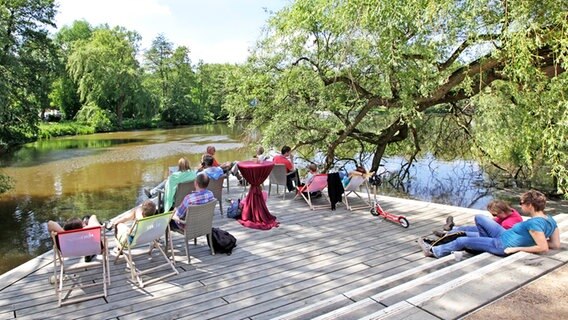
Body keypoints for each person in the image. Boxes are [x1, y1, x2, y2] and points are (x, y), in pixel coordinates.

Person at [418, 190, 561, 258]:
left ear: (529, 205)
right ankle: (479, 241)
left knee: (462, 240)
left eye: (522, 203)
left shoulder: (535, 224)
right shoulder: (551, 220)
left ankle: (433, 251)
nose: (520, 206)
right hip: (503, 235)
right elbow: (555, 245)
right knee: (480, 218)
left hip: (502, 244)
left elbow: (543, 248)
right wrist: (534, 241)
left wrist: (516, 248)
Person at [433, 200, 523, 237]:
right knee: (470, 228)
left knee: (465, 234)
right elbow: (495, 222)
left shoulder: (508, 224)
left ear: (502, 212)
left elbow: (500, 236)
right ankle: (452, 228)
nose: (493, 216)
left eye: (495, 215)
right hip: (494, 229)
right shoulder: (511, 211)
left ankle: (447, 234)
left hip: (493, 236)